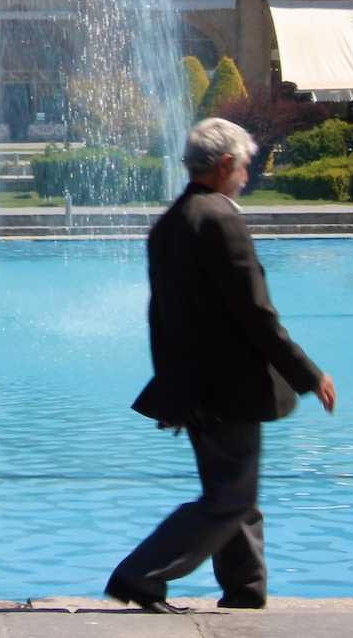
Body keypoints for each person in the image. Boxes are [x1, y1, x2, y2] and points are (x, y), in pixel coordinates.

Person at [105, 118, 337, 615]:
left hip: (194, 385)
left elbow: (160, 318)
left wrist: (171, 384)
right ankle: (139, 575)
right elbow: (257, 314)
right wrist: (309, 375)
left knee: (237, 497)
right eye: (246, 165)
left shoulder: (170, 222)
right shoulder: (220, 218)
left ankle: (245, 594)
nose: (248, 175)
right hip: (227, 387)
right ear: (226, 164)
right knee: (229, 499)